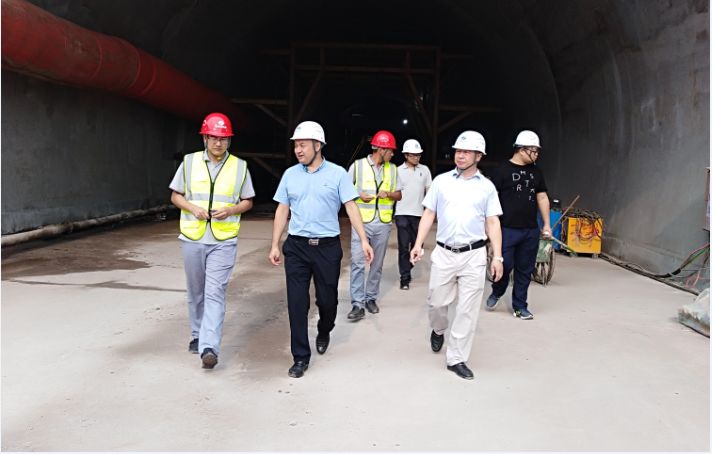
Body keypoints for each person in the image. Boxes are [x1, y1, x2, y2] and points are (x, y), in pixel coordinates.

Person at [269, 121, 374, 378]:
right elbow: (282, 209)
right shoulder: (290, 175)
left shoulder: (337, 174)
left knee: (327, 301)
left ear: (318, 145)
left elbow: (351, 206)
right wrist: (275, 244)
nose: (298, 149)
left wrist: (363, 239)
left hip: (327, 247)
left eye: (303, 144)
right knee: (296, 303)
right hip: (296, 246)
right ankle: (300, 357)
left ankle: (325, 329)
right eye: (296, 145)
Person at [410, 130, 503, 380]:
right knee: (437, 302)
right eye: (458, 151)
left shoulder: (487, 188)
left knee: (467, 310)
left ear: (478, 156)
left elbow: (493, 222)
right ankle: (438, 329)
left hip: (474, 255)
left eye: (466, 152)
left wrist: (498, 257)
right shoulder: (441, 181)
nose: (460, 156)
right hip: (444, 252)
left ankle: (456, 358)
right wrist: (418, 243)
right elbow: (429, 213)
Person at [169, 112, 254, 369]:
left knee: (215, 292)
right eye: (214, 138)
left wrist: (230, 210)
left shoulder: (240, 167)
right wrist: (192, 208)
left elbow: (248, 201)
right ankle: (197, 334)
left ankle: (209, 347)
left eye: (224, 139)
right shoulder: (189, 162)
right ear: (205, 138)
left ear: (229, 141)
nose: (219, 143)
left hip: (223, 240)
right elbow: (175, 195)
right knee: (196, 292)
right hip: (193, 237)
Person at [484, 130, 551, 320]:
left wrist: (546, 224)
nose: (537, 154)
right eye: (534, 150)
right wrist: (487, 225)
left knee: (525, 269)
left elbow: (542, 196)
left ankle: (520, 306)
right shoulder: (501, 171)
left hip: (530, 230)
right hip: (506, 229)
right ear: (521, 149)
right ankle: (497, 291)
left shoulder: (536, 172)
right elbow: (490, 198)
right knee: (504, 266)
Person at [346, 130, 402, 321]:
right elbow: (344, 191)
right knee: (357, 262)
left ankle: (371, 298)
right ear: (382, 149)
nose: (393, 154)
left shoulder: (393, 169)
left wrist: (390, 194)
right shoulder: (358, 166)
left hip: (383, 223)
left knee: (376, 264)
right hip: (361, 222)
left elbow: (399, 194)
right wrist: (358, 194)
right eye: (391, 150)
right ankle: (357, 303)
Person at [394, 139, 432, 290]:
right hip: (402, 213)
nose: (416, 157)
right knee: (403, 247)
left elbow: (429, 191)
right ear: (406, 155)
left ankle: (407, 266)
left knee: (418, 246)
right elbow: (395, 192)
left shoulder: (425, 170)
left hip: (419, 215)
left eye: (418, 155)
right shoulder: (397, 170)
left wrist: (430, 210)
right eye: (413, 155)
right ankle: (404, 277)